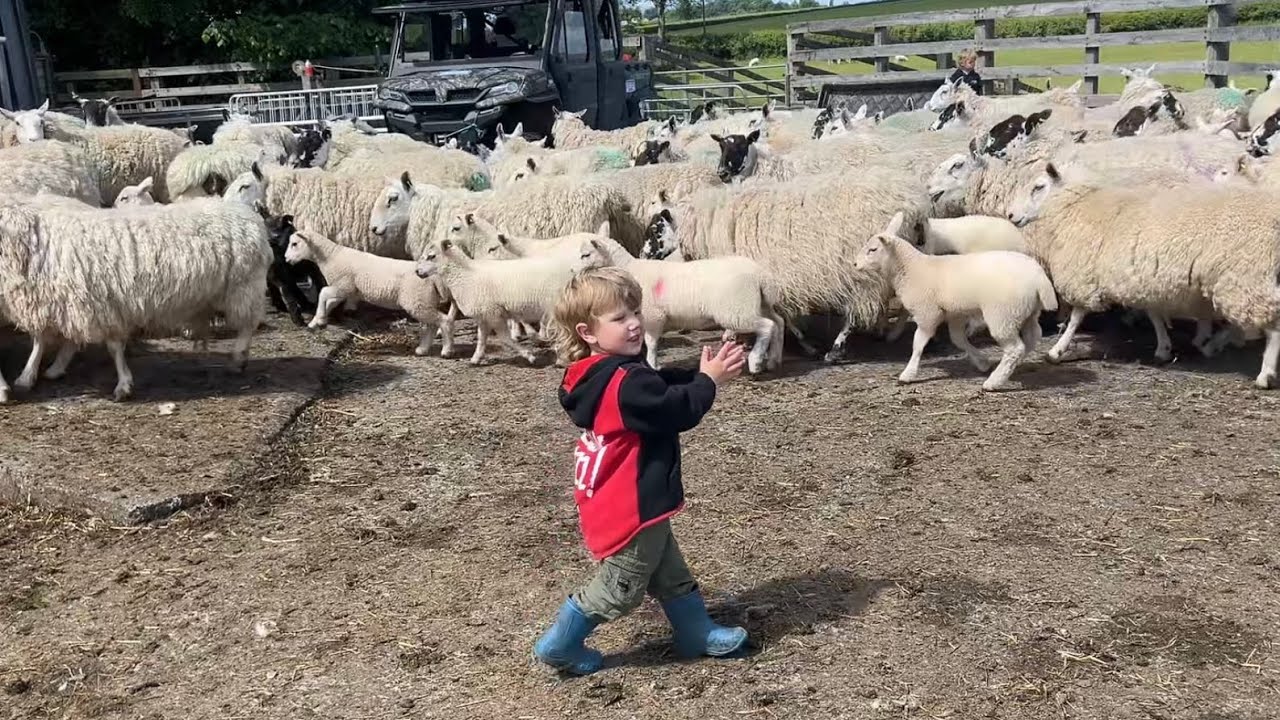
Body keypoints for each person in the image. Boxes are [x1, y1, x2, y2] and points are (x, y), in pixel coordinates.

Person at [533, 266, 750, 675]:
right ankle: (560, 644)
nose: (634, 323)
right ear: (587, 332)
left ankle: (695, 632)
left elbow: (656, 385)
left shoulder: (596, 375)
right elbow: (674, 408)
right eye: (619, 318)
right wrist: (708, 382)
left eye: (635, 311)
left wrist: (697, 375)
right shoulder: (625, 384)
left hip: (619, 496)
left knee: (669, 570)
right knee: (622, 586)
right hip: (630, 504)